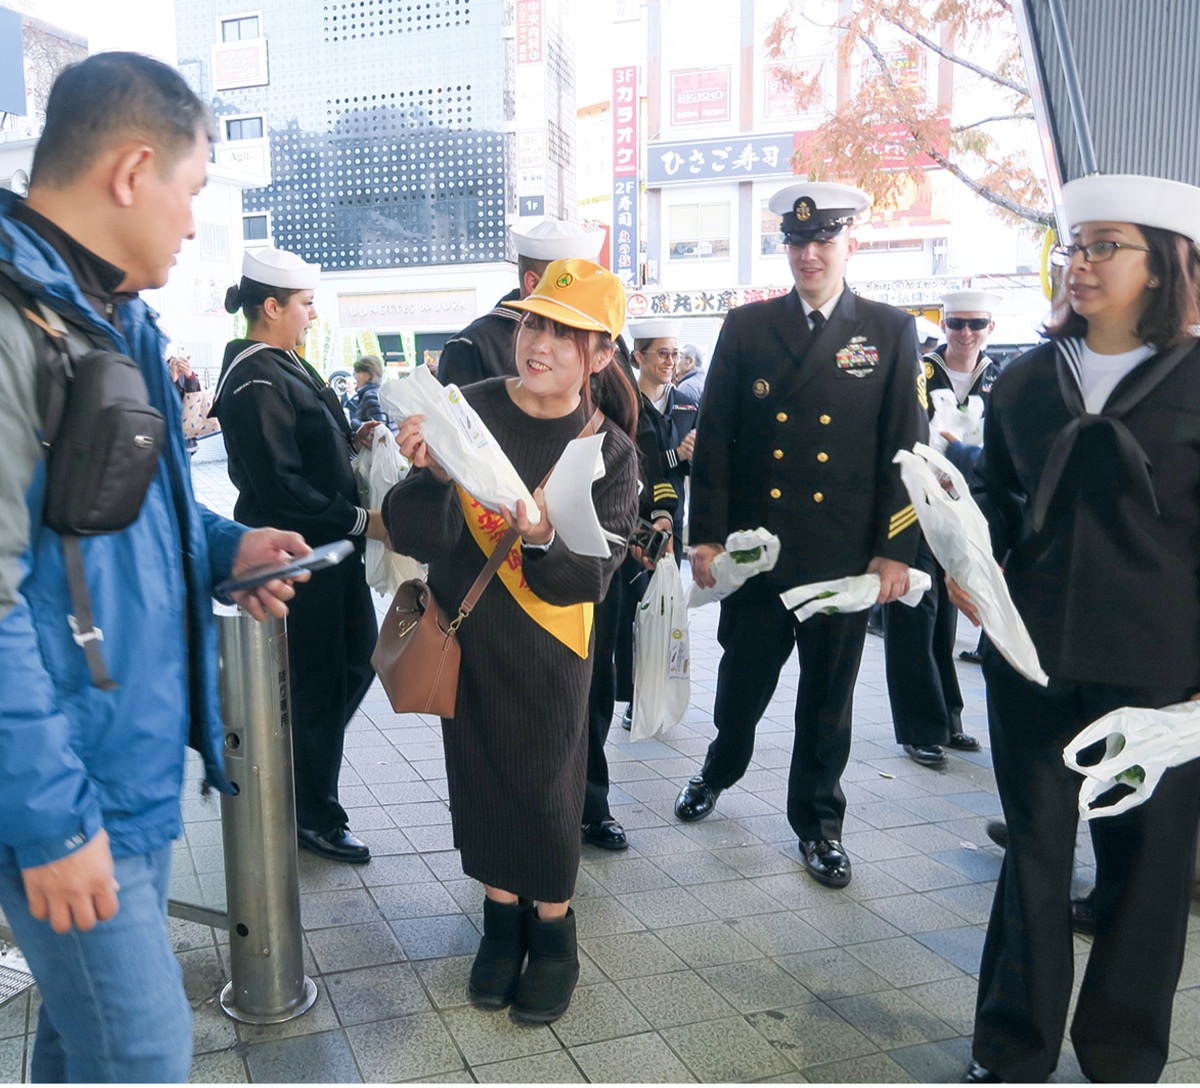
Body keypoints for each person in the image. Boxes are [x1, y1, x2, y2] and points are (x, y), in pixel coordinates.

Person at [0, 52, 304, 1082]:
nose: (190, 221)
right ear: (133, 170)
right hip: (66, 787)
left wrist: (230, 551)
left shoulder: (113, 310)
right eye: (192, 188)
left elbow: (119, 520)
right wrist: (51, 824)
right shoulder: (14, 322)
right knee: (143, 1053)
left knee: (81, 1040)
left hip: (122, 769)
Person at [952, 173, 1200, 1084]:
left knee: (1147, 869)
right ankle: (1012, 1048)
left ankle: (1124, 1057)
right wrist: (963, 558)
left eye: (1105, 246)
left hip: (1163, 673)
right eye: (1075, 246)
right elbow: (996, 506)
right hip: (1032, 659)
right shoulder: (1023, 382)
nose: (1080, 263)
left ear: (1166, 264)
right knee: (1034, 856)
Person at [384, 258, 639, 1024]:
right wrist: (428, 475)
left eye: (568, 334)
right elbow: (412, 528)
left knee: (548, 787)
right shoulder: (468, 411)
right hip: (470, 632)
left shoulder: (608, 447)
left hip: (552, 646)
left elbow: (591, 578)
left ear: (599, 355)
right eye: (534, 323)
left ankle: (553, 933)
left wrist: (536, 538)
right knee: (481, 777)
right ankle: (500, 925)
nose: (542, 344)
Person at [675, 180, 926, 890]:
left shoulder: (888, 330)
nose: (809, 253)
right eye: (796, 240)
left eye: (823, 240)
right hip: (759, 554)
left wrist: (895, 549)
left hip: (842, 560)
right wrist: (707, 537)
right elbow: (716, 437)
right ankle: (718, 769)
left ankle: (819, 824)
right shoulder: (749, 327)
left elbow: (907, 449)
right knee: (742, 687)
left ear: (852, 243)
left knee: (828, 701)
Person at [212, 247, 389, 865]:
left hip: (327, 554)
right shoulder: (255, 377)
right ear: (271, 306)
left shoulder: (282, 364)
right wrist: (364, 519)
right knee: (317, 682)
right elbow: (281, 484)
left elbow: (309, 450)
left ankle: (299, 782)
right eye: (305, 304)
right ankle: (312, 812)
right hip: (296, 555)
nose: (312, 315)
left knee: (355, 664)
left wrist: (354, 440)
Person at [882, 289, 1000, 766]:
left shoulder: (1000, 377)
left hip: (968, 511)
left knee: (947, 620)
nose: (965, 333)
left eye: (976, 323)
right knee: (915, 612)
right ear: (944, 325)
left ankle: (948, 718)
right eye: (956, 324)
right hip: (916, 503)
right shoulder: (919, 369)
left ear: (991, 327)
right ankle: (918, 727)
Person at [583, 335, 681, 846]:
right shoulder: (507, 364)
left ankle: (591, 802)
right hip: (527, 560)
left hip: (607, 561)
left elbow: (648, 466)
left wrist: (657, 519)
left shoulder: (616, 376)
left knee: (598, 683)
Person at [437, 218, 605, 388]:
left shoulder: (602, 336)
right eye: (576, 283)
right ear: (533, 283)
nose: (540, 347)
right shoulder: (471, 346)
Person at [343, 353, 394, 431]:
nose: (354, 375)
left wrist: (353, 424)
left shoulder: (371, 396)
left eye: (357, 371)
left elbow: (378, 426)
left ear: (369, 374)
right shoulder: (383, 393)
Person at [672, 342, 706, 406]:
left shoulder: (686, 387)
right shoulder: (703, 380)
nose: (676, 362)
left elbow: (680, 415)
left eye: (680, 357)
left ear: (690, 362)